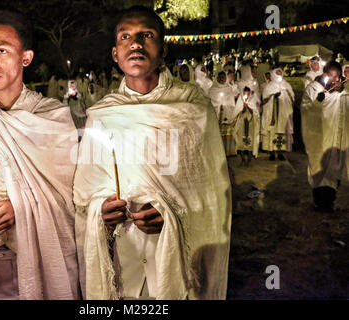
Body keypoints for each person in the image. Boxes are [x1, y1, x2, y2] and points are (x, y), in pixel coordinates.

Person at [73, 6, 231, 300]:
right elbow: (85, 195)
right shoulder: (103, 114)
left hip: (177, 261)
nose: (135, 44)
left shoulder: (192, 108)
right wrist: (101, 212)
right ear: (115, 54)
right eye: (125, 37)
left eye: (147, 35)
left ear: (163, 49)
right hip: (123, 257)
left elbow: (211, 194)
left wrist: (173, 215)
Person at [0, 9, 80, 300]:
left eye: (2, 50)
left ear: (26, 58)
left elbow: (68, 197)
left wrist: (17, 207)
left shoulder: (52, 118)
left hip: (40, 250)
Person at [301, 61, 348, 212]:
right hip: (317, 138)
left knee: (334, 168)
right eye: (332, 76)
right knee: (319, 167)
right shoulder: (313, 89)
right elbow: (306, 109)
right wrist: (317, 102)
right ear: (324, 74)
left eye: (338, 76)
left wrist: (341, 92)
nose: (335, 80)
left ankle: (329, 201)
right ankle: (319, 200)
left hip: (334, 138)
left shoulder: (341, 93)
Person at [261, 68, 295, 160]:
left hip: (283, 113)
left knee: (282, 131)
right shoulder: (269, 86)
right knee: (272, 131)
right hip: (273, 114)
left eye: (280, 73)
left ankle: (280, 152)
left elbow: (292, 97)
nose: (279, 75)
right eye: (277, 73)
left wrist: (288, 95)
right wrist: (273, 97)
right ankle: (272, 152)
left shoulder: (286, 84)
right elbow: (264, 100)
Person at [209, 72, 237, 156]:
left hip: (226, 117)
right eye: (220, 77)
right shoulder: (212, 89)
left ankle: (227, 153)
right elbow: (210, 104)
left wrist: (225, 107)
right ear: (217, 78)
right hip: (216, 118)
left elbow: (232, 103)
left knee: (226, 136)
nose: (221, 79)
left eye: (223, 77)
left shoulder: (229, 89)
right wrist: (218, 106)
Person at [233, 86, 261, 166]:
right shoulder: (240, 101)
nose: (246, 96)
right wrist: (243, 108)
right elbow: (237, 113)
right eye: (245, 94)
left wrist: (248, 107)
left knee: (250, 142)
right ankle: (242, 159)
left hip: (250, 124)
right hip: (241, 124)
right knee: (241, 142)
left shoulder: (253, 100)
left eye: (248, 94)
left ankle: (249, 158)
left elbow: (255, 112)